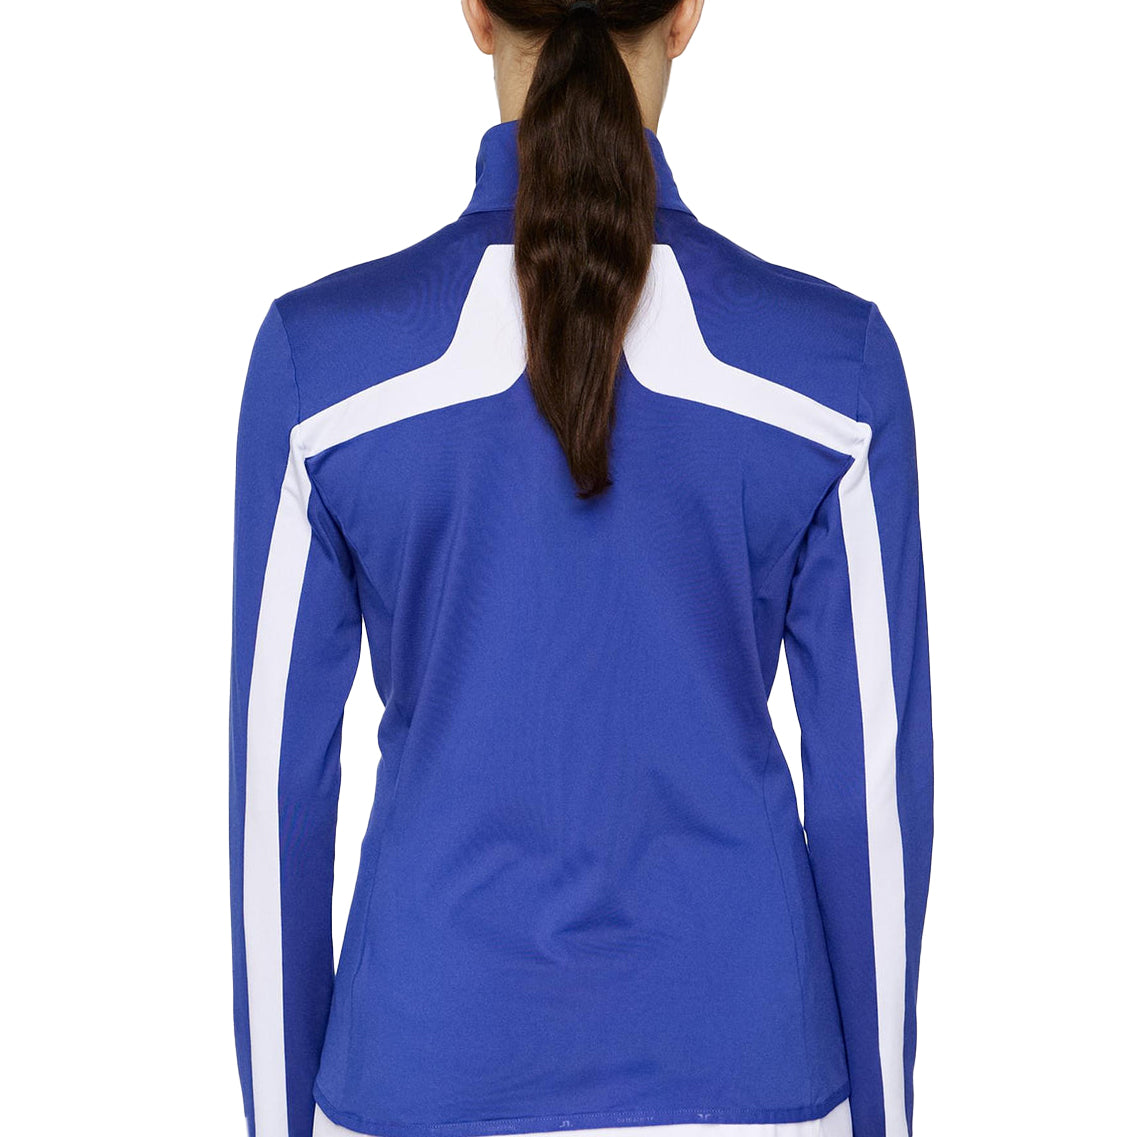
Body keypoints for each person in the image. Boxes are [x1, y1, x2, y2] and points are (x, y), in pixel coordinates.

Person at [227, 2, 934, 1137]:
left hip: (424, 1063)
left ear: (475, 13)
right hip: (749, 1066)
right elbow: (873, 805)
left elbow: (277, 803)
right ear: (686, 14)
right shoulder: (827, 373)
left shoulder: (326, 370)